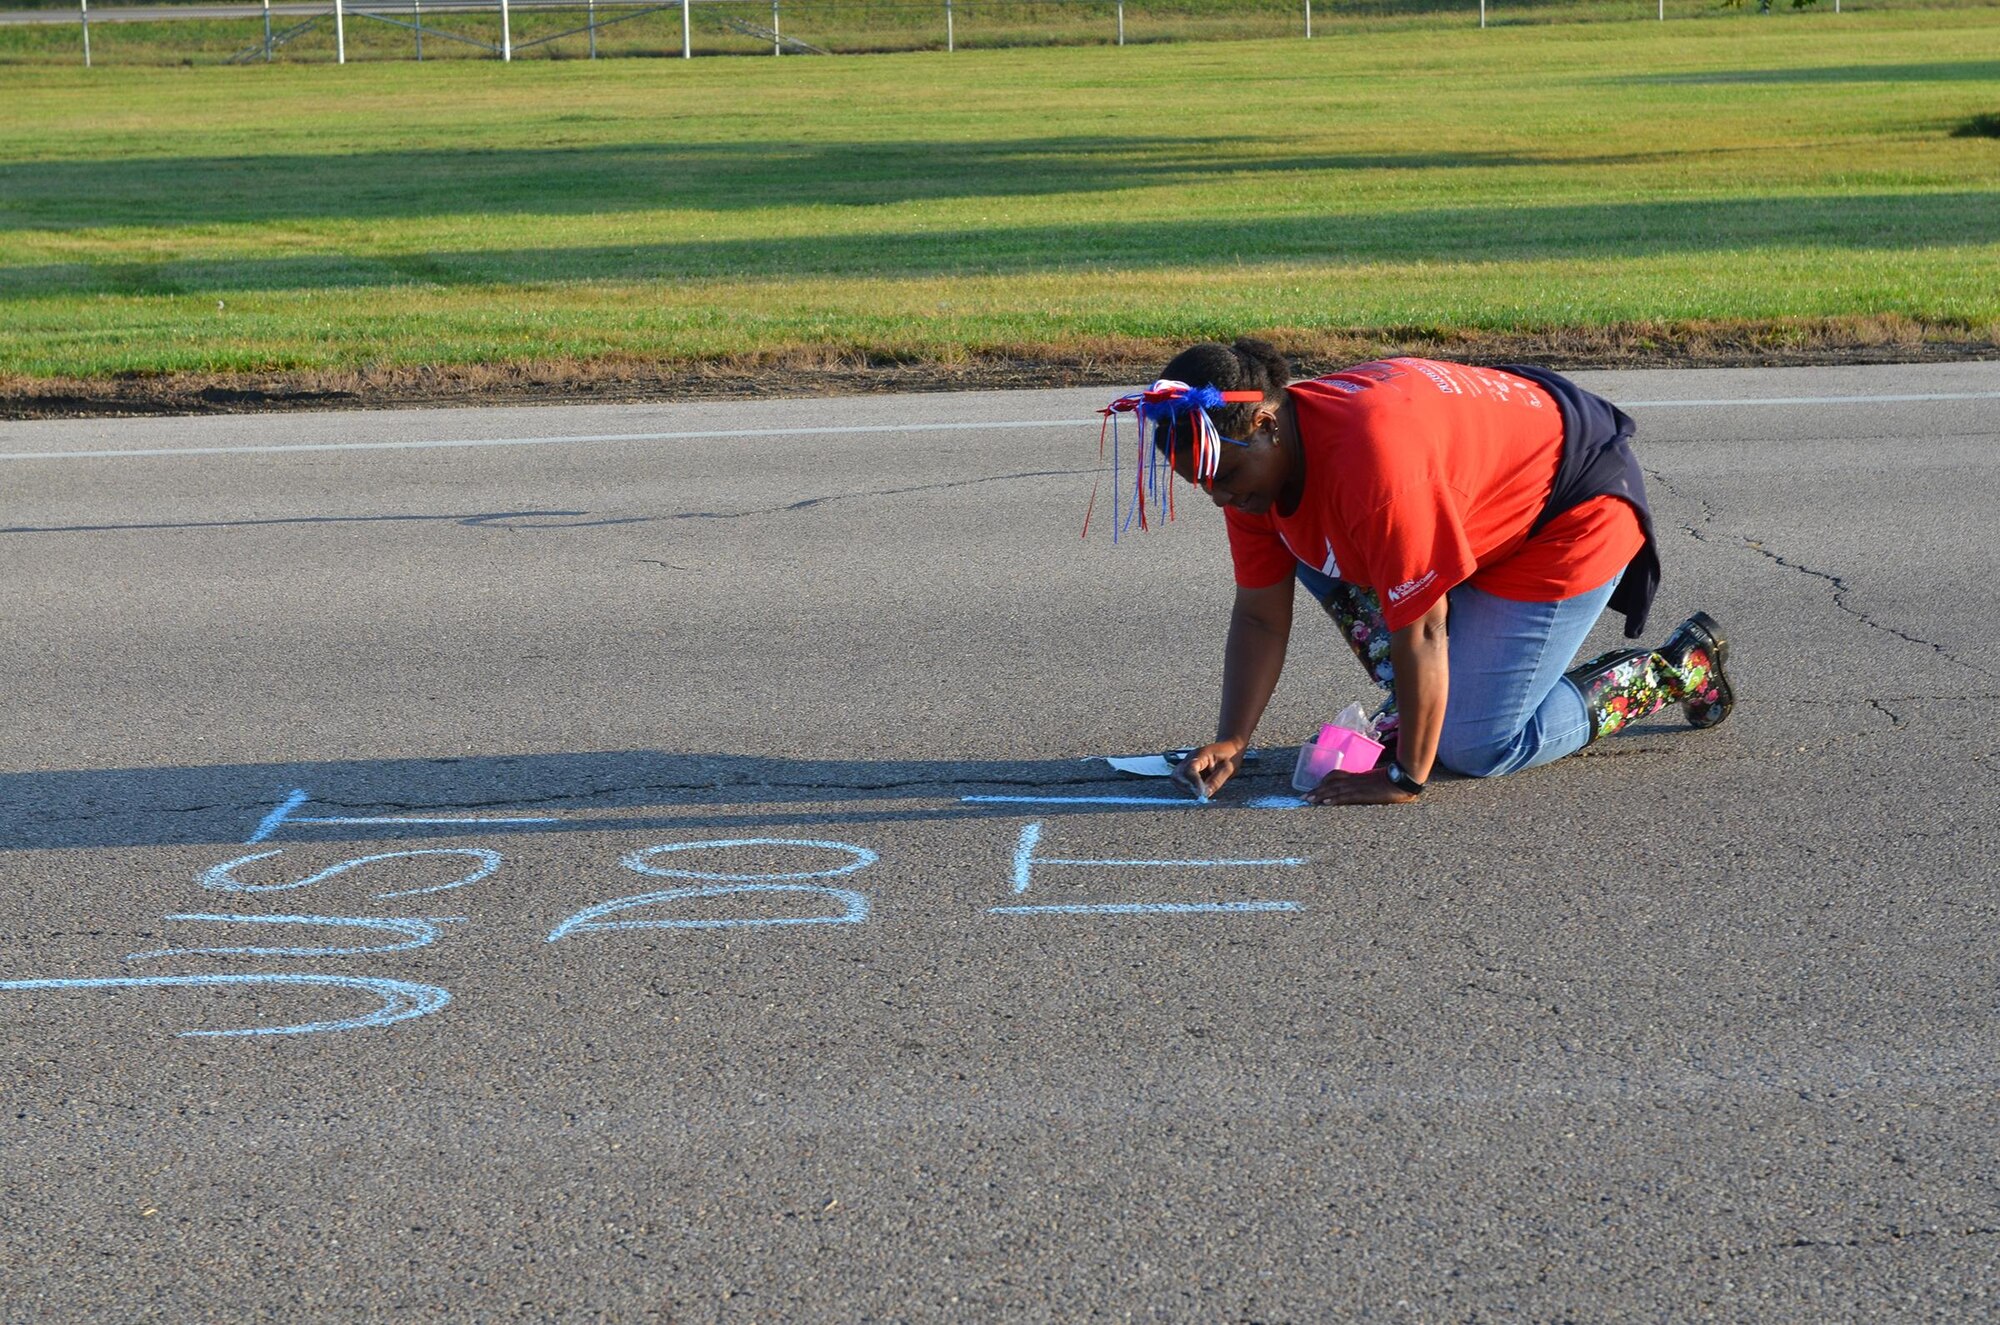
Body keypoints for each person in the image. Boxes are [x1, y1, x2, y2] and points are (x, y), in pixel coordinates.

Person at [1099, 339, 1734, 807]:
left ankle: (1672, 671)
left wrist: (1404, 775)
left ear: (1266, 423)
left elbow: (1422, 629)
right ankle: (1440, 691)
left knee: (1473, 747)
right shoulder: (1250, 469)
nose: (1221, 499)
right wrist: (1233, 737)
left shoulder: (1372, 466)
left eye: (1227, 480)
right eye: (1204, 485)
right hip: (1475, 500)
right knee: (1318, 553)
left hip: (1570, 511)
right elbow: (1261, 613)